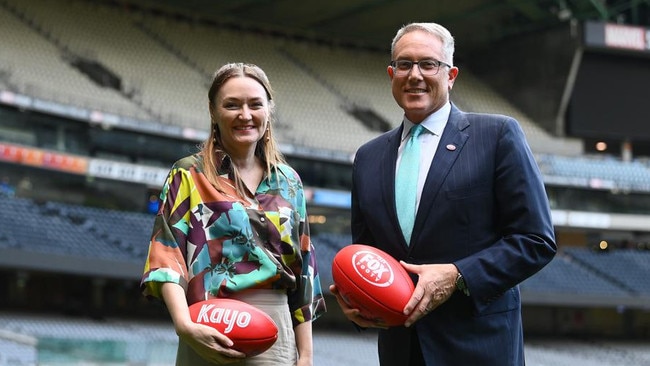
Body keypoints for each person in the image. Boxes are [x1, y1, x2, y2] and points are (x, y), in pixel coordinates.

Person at [330, 22, 557, 365]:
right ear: (391, 74)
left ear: (450, 75)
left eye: (428, 64)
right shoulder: (367, 157)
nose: (415, 75)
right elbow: (369, 254)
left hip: (479, 349)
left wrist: (457, 275)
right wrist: (357, 300)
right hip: (400, 351)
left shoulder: (496, 136)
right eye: (404, 64)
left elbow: (536, 239)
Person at [141, 62, 326, 366]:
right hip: (206, 325)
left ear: (269, 109)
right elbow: (166, 256)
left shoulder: (289, 182)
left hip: (274, 331)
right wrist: (184, 324)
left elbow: (304, 268)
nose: (245, 115)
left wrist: (305, 355)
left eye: (255, 104)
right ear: (213, 111)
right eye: (232, 105)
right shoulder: (188, 174)